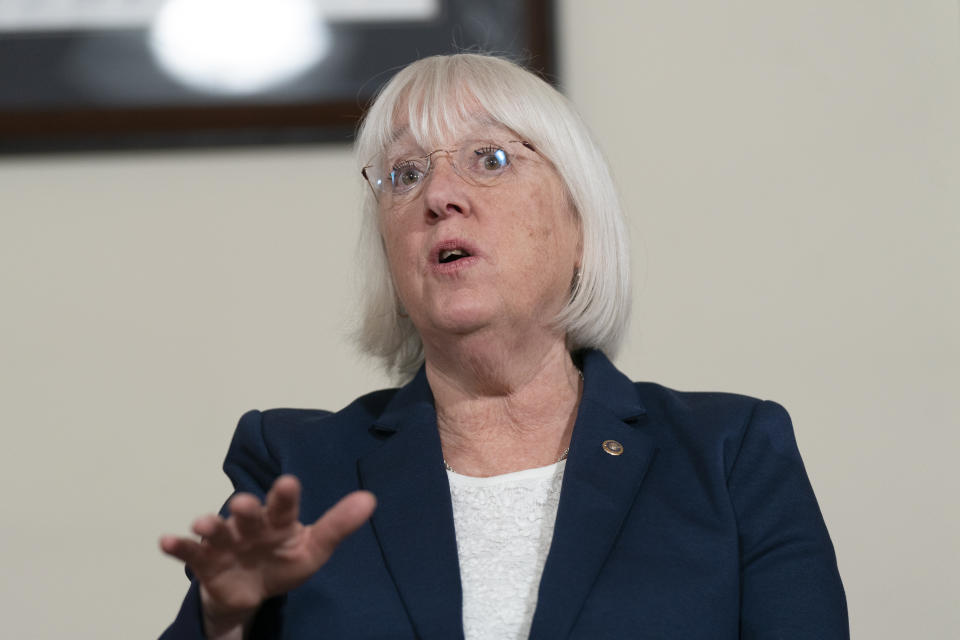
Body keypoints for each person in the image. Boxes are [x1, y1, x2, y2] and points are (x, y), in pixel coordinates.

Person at [159, 53, 848, 640]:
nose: (439, 196)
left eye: (489, 158)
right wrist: (223, 620)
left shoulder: (730, 456)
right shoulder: (298, 469)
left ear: (580, 226)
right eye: (405, 174)